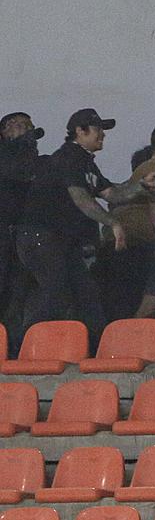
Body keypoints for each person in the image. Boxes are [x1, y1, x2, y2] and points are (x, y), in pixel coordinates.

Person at [14, 109, 153, 348]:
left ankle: (95, 352)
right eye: (98, 129)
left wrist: (142, 186)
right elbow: (80, 198)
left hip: (61, 241)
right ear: (80, 131)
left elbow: (113, 193)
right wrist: (113, 222)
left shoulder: (85, 162)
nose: (102, 135)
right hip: (41, 237)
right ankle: (22, 348)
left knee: (86, 295)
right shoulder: (69, 157)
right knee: (56, 292)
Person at [96, 124, 155, 323]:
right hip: (133, 246)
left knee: (138, 309)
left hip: (131, 246)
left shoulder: (151, 169)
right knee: (139, 310)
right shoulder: (154, 169)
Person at [0, 112, 43, 354]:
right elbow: (12, 171)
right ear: (6, 129)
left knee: (18, 292)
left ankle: (13, 348)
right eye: (22, 126)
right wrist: (22, 145)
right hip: (5, 232)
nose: (30, 131)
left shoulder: (30, 158)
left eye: (31, 126)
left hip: (21, 234)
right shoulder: (8, 155)